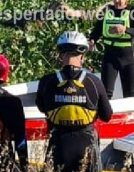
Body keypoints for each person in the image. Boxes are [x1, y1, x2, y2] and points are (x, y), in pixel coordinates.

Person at [35, 31, 113, 172]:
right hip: (86, 145)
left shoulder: (47, 81)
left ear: (60, 56)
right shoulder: (94, 81)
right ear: (82, 56)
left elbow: (41, 107)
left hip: (58, 144)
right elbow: (107, 115)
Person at [88, 0, 134, 99]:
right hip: (110, 58)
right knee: (105, 93)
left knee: (129, 94)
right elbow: (97, 30)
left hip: (128, 58)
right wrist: (92, 40)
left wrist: (125, 29)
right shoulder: (106, 11)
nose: (117, 0)